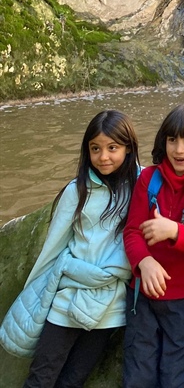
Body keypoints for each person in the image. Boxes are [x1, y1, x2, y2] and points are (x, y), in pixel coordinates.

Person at [0, 110, 139, 388]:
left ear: (128, 148)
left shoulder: (142, 185)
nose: (103, 156)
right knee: (41, 376)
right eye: (95, 148)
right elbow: (53, 248)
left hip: (109, 306)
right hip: (68, 297)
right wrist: (35, 297)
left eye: (113, 148)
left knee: (74, 380)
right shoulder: (77, 191)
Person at [122, 103, 184, 388]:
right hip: (143, 297)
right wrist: (143, 261)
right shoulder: (149, 178)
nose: (179, 150)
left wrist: (174, 231)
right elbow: (132, 231)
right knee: (137, 377)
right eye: (172, 140)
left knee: (175, 378)